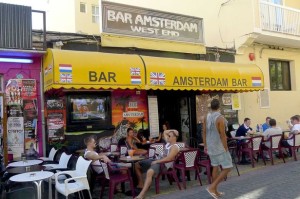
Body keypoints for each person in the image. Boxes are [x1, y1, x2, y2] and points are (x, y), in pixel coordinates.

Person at [134, 129, 180, 199]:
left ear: (174, 137)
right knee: (137, 164)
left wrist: (156, 162)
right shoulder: (168, 143)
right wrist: (173, 130)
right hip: (157, 160)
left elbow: (169, 159)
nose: (168, 137)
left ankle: (141, 195)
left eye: (169, 136)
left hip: (163, 164)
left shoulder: (175, 147)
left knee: (149, 172)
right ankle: (141, 184)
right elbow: (165, 132)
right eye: (168, 136)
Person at [203, 99, 232, 198]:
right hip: (219, 146)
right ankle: (212, 187)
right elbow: (223, 135)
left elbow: (204, 132)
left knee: (215, 166)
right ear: (219, 107)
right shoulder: (220, 118)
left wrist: (206, 145)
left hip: (210, 146)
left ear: (211, 107)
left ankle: (215, 191)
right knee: (228, 167)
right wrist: (226, 147)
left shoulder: (206, 116)